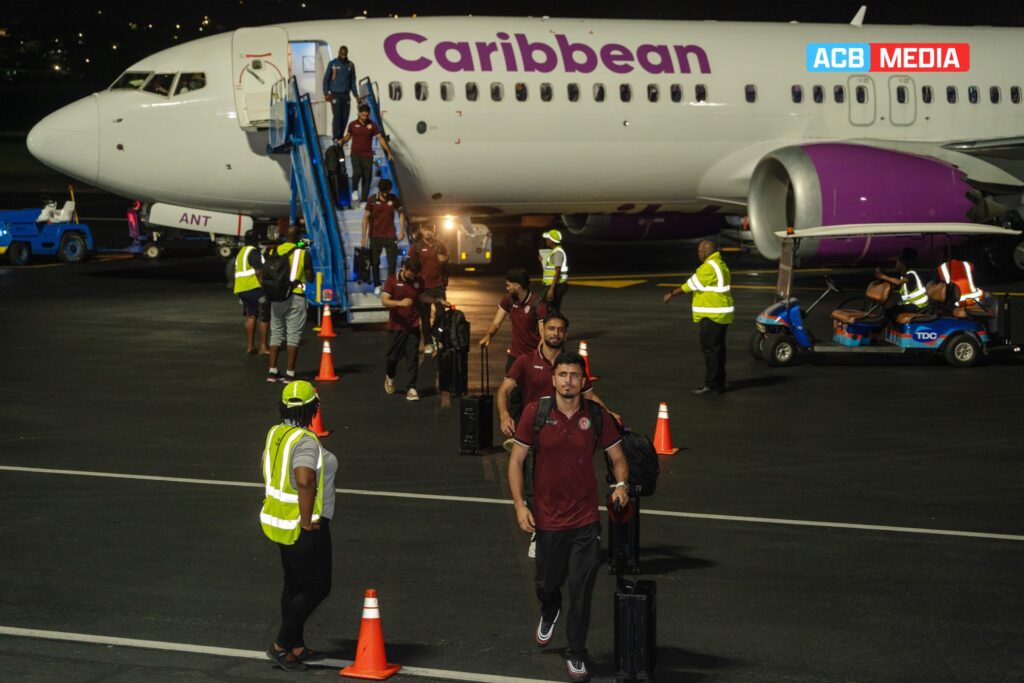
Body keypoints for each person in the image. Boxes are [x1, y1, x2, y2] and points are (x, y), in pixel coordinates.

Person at [507, 352, 629, 683]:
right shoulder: (536, 412)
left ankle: (577, 652)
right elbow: (516, 461)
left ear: (583, 381)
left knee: (582, 589)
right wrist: (520, 505)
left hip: (585, 521)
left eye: (574, 376)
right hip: (547, 520)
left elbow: (618, 456)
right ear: (554, 378)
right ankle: (550, 608)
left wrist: (621, 485)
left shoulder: (597, 417)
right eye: (562, 375)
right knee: (546, 583)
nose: (568, 381)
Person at [261, 380, 338, 672]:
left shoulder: (277, 433)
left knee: (294, 586)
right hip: (303, 525)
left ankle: (295, 646)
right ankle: (281, 645)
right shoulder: (305, 441)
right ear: (313, 408)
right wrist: (307, 521)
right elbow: (304, 480)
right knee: (318, 587)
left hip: (280, 519)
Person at [497, 311, 618, 447]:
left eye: (560, 330)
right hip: (534, 433)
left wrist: (608, 414)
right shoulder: (525, 361)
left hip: (565, 432)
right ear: (542, 332)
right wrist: (504, 416)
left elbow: (589, 395)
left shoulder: (573, 365)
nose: (555, 333)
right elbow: (503, 390)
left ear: (565, 335)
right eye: (551, 328)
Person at [663, 239, 734, 395]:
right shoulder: (719, 264)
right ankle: (718, 383)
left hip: (712, 314)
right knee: (718, 350)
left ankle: (711, 385)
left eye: (699, 252)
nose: (698, 254)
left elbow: (689, 285)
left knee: (711, 351)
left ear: (705, 252)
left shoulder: (709, 267)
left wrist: (671, 294)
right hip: (721, 314)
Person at [381, 256, 448, 401]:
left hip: (413, 326)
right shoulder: (392, 280)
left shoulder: (418, 281)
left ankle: (411, 388)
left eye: (414, 275)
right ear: (404, 268)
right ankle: (390, 377)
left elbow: (423, 296)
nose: (411, 277)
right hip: (397, 326)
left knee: (413, 357)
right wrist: (400, 303)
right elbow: (384, 301)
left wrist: (438, 301)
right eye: (409, 274)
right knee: (392, 358)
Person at [267, 225, 314, 383]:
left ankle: (272, 372)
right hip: (296, 297)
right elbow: (310, 278)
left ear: (285, 236)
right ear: (299, 237)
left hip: (276, 297)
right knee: (292, 337)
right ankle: (290, 373)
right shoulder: (303, 253)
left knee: (276, 333)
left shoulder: (275, 250)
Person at [342, 104, 395, 203]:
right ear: (359, 114)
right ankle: (354, 190)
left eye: (366, 115)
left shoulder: (372, 125)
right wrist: (342, 141)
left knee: (367, 178)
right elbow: (348, 136)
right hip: (355, 154)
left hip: (367, 155)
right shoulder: (352, 124)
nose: (364, 117)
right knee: (357, 173)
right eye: (363, 115)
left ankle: (363, 200)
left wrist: (389, 152)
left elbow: (380, 139)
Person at [361, 178, 405, 293]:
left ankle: (390, 285)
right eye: (384, 192)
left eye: (387, 192)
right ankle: (377, 284)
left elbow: (401, 213)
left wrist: (401, 231)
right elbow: (365, 218)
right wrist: (363, 237)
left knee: (392, 262)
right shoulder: (372, 200)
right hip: (375, 236)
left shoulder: (393, 198)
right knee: (375, 262)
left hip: (390, 235)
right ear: (379, 190)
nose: (386, 195)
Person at [413, 222, 449, 354]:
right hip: (423, 287)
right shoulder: (417, 247)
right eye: (426, 230)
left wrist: (445, 259)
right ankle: (428, 342)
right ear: (421, 230)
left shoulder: (439, 245)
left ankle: (436, 335)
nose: (429, 233)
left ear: (434, 231)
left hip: (438, 285)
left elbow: (446, 258)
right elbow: (411, 264)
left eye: (431, 230)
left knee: (441, 314)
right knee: (425, 316)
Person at [234, 230, 270, 355]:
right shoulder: (254, 252)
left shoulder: (241, 252)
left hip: (241, 289)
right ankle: (263, 347)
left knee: (251, 316)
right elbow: (259, 272)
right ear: (256, 240)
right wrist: (264, 287)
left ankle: (250, 347)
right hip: (254, 288)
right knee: (264, 316)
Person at [874, 248, 928, 318]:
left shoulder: (910, 274)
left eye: (897, 262)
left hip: (917, 308)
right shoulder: (906, 274)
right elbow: (894, 278)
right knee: (892, 309)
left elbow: (898, 282)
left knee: (890, 312)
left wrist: (882, 276)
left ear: (902, 263)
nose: (896, 265)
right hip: (913, 306)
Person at [323, 45, 358, 140]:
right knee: (337, 116)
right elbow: (326, 79)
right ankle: (336, 136)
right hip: (335, 94)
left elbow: (353, 81)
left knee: (345, 116)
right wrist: (326, 93)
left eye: (345, 54)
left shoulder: (350, 65)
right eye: (341, 54)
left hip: (346, 95)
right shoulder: (332, 63)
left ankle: (341, 136)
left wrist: (356, 95)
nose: (343, 56)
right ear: (339, 53)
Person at [539, 229, 569, 312]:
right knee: (549, 308)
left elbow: (557, 271)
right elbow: (550, 269)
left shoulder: (558, 252)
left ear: (552, 241)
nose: (546, 240)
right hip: (553, 284)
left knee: (552, 309)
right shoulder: (554, 251)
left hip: (557, 285)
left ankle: (556, 324)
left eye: (548, 239)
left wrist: (551, 289)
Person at [323, 139, 349, 209]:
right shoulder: (339, 150)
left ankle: (334, 203)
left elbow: (326, 161)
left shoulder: (328, 150)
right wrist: (343, 170)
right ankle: (339, 204)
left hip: (330, 172)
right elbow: (341, 160)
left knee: (332, 190)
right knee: (338, 190)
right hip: (337, 173)